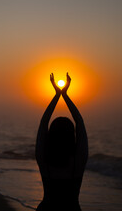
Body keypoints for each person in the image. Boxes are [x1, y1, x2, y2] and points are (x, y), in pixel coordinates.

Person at [35, 73, 88, 211]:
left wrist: (57, 95)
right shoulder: (78, 161)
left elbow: (43, 122)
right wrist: (64, 94)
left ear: (50, 136)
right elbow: (80, 123)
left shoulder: (44, 160)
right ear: (72, 136)